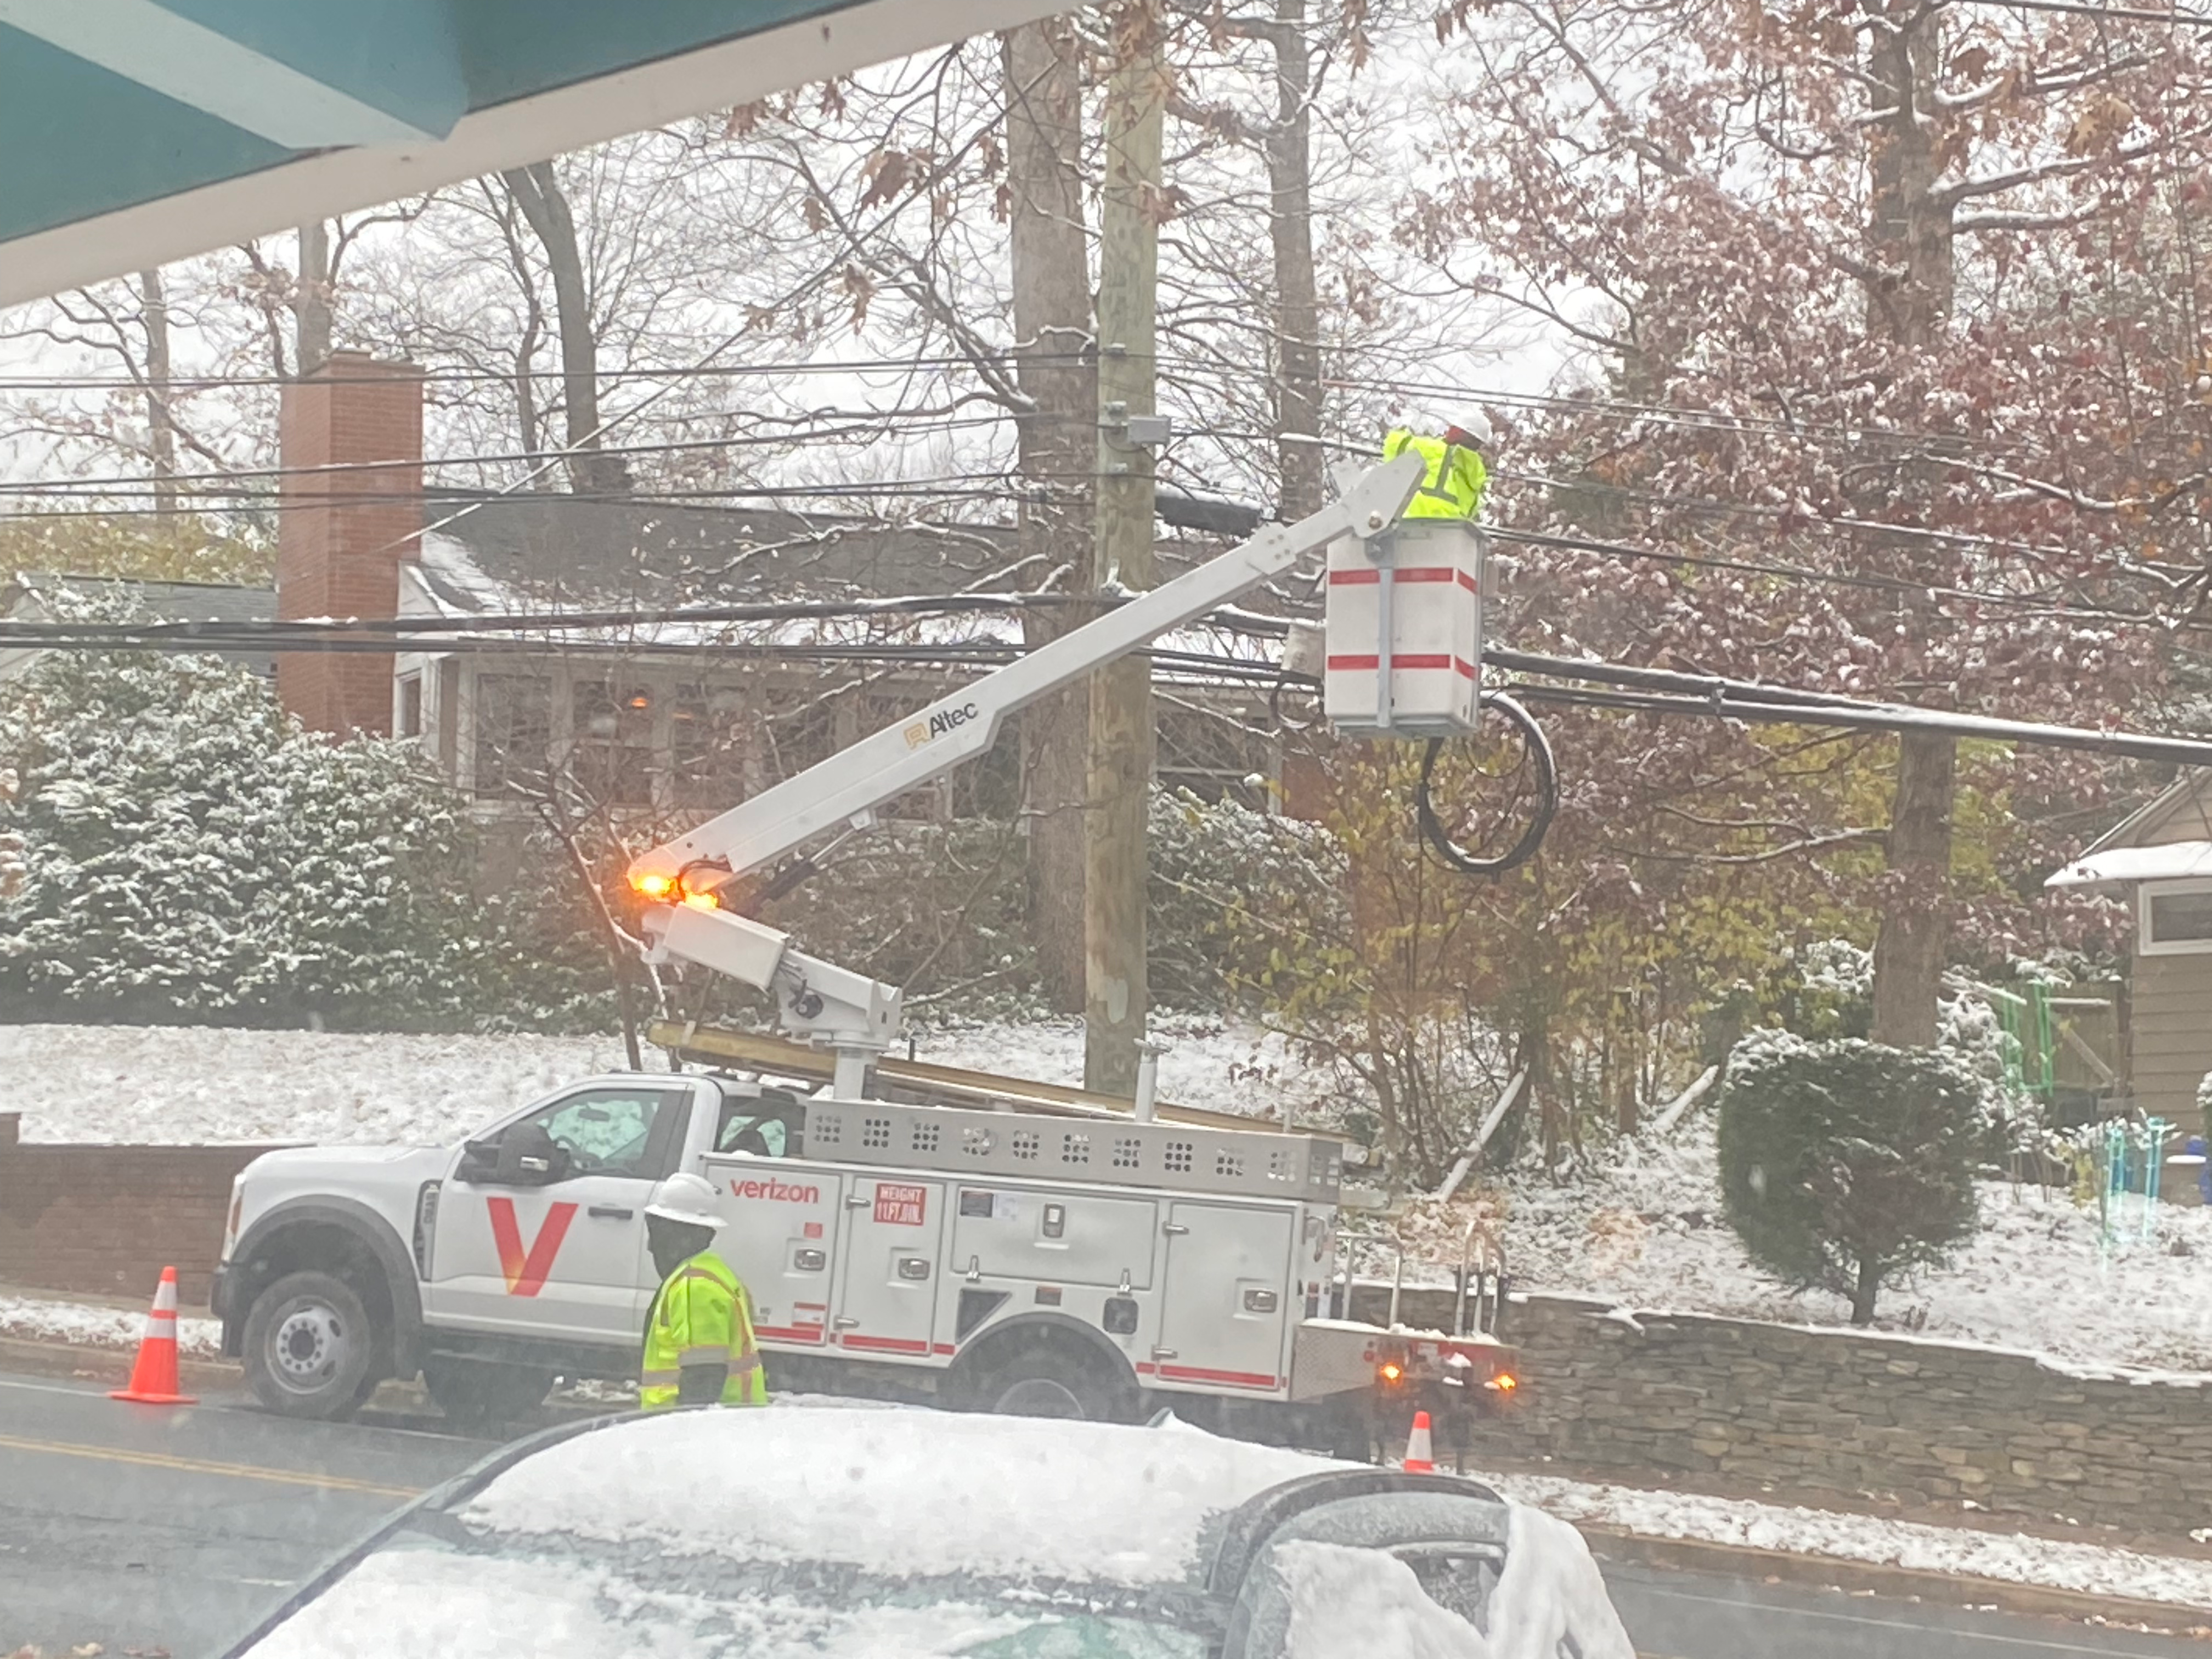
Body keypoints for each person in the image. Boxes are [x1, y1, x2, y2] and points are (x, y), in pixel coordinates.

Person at [638, 1171, 768, 1410]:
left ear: (686, 1235)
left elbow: (703, 1377)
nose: (650, 1246)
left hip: (695, 1429)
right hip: (731, 1424)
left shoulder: (694, 1287)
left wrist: (685, 1434)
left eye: (659, 1232)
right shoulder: (714, 1272)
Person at [1380, 409, 1490, 521]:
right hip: (1452, 531)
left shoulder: (1435, 450)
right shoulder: (1478, 472)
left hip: (1419, 521)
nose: (1449, 430)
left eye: (1452, 427)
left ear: (1458, 431)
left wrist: (1398, 431)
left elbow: (1394, 446)